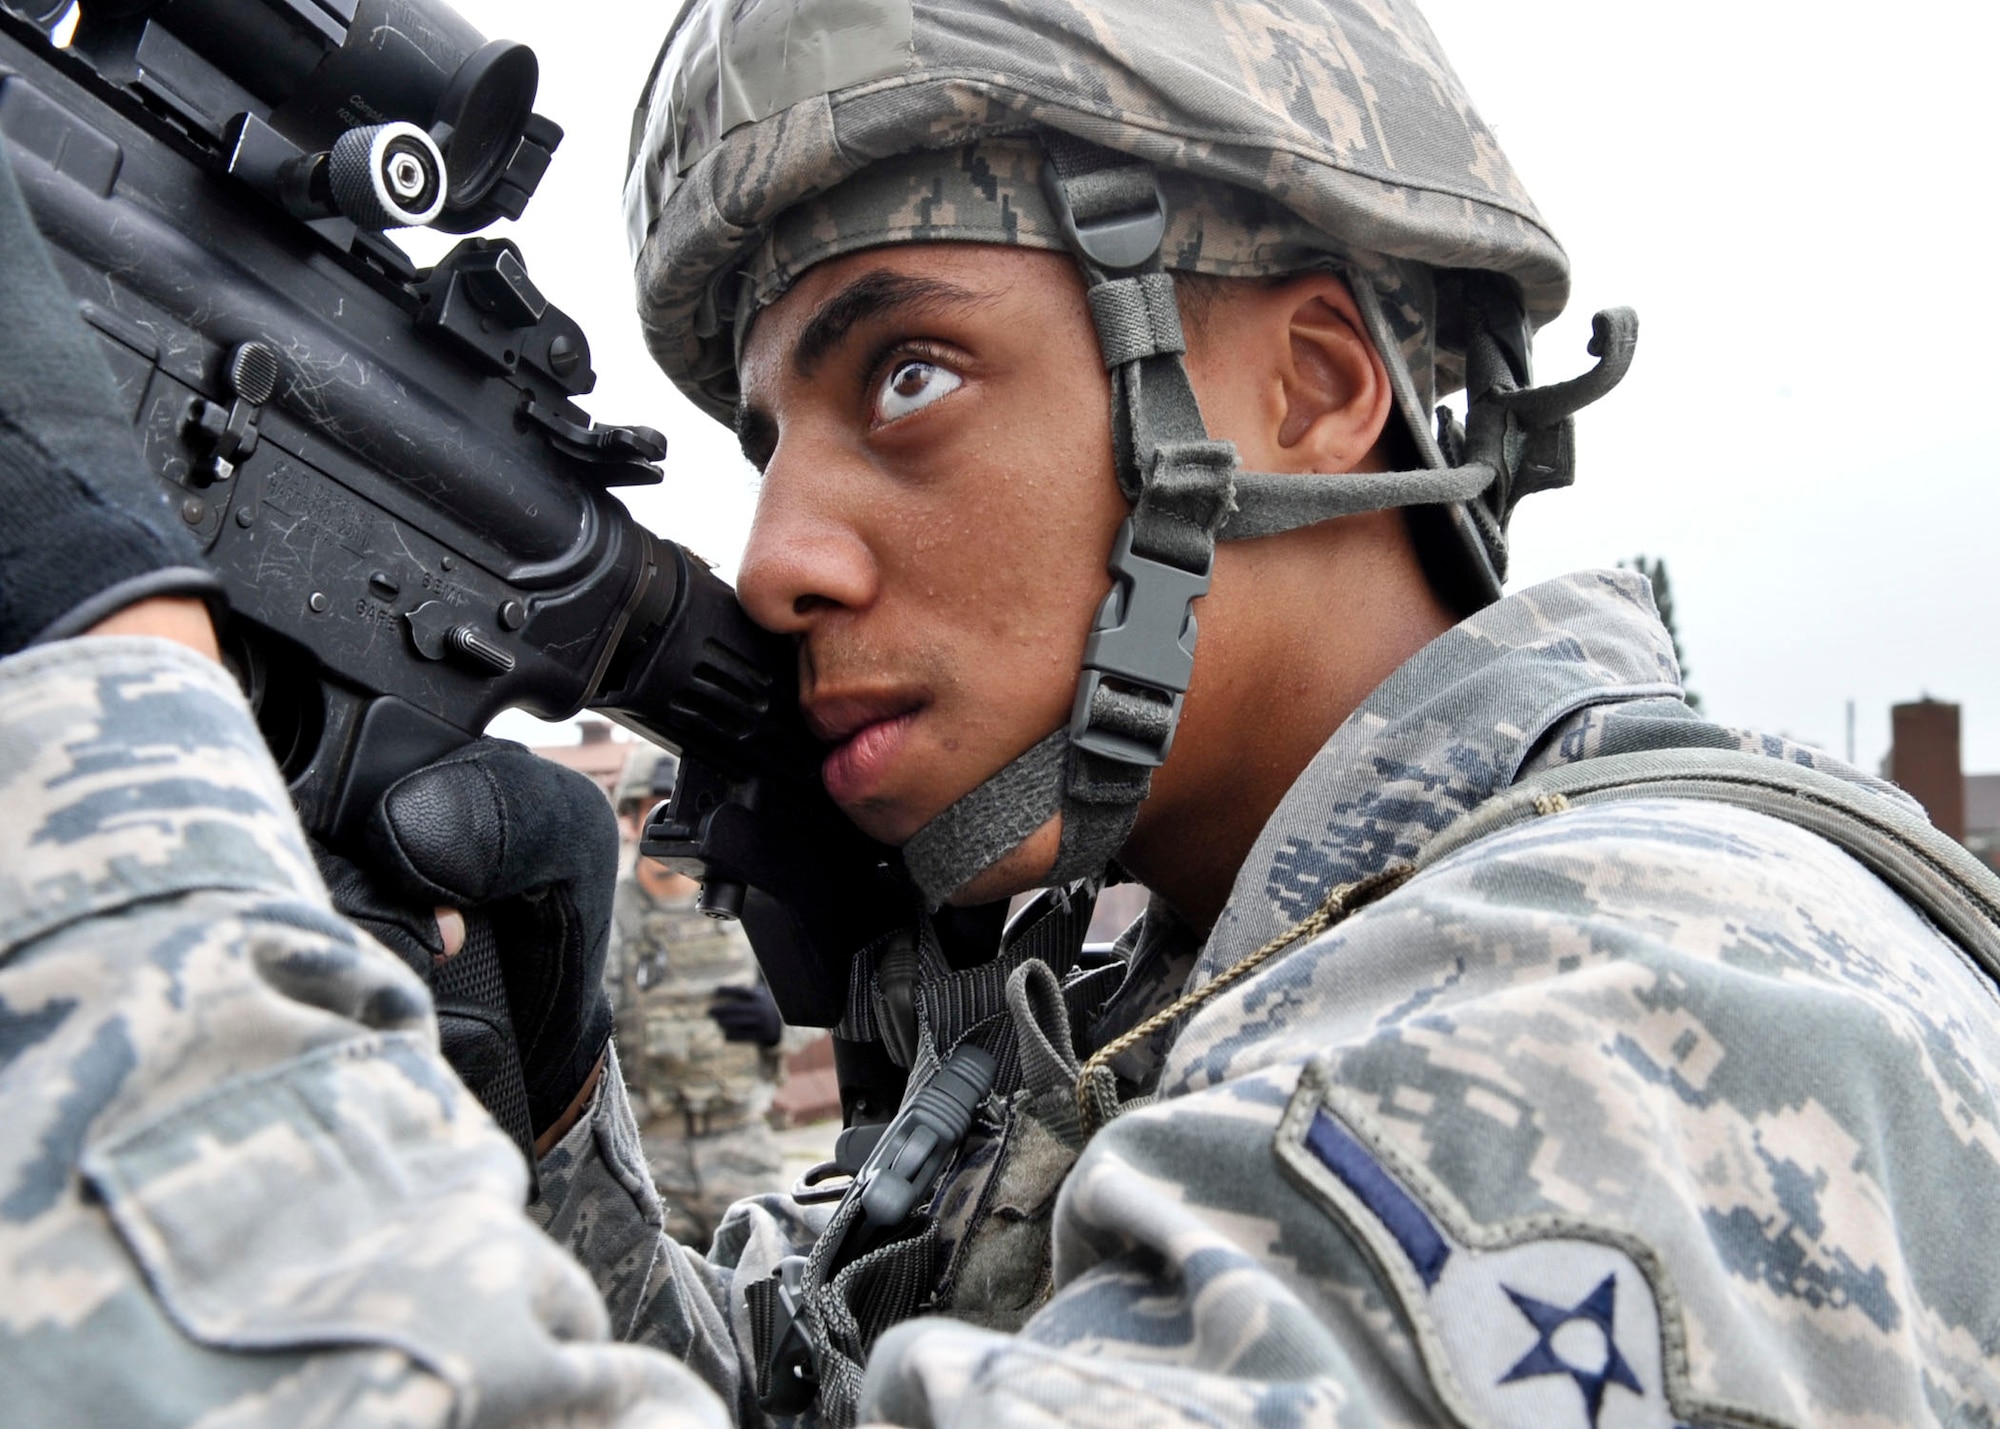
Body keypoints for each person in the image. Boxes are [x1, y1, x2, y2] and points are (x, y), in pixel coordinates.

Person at [2, 7, 1997, 1429]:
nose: (776, 556)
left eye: (911, 377)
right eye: (767, 435)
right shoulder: (1189, 1005)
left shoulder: (1643, 1005)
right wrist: (539, 1145)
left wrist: (95, 780)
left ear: (1308, 387)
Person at [607, 748, 802, 1246]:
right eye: (654, 811)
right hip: (648, 1153)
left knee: (764, 1290)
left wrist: (780, 1023)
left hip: (741, 1141)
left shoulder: (744, 904)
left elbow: (818, 1006)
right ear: (631, 819)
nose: (670, 830)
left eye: (680, 811)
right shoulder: (607, 917)